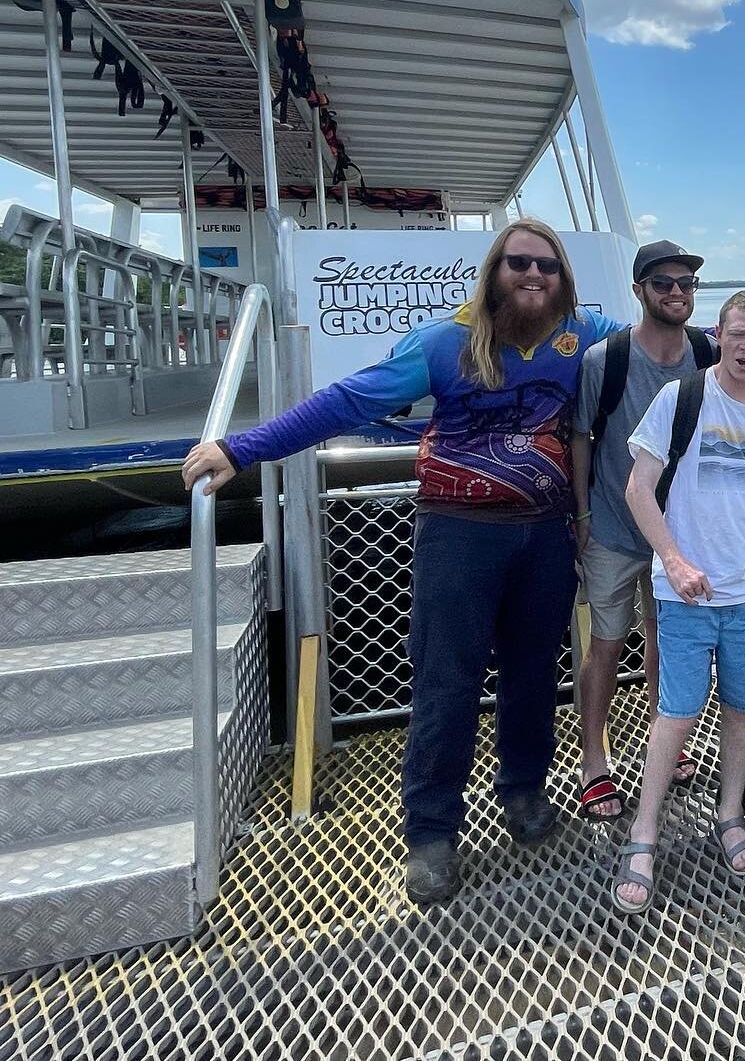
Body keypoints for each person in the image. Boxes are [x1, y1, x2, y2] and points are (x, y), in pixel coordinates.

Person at [179, 219, 626, 905]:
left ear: (564, 279)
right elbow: (348, 400)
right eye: (518, 264)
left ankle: (524, 789)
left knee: (535, 675)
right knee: (446, 682)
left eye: (547, 266)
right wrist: (244, 449)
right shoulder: (445, 343)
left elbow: (665, 342)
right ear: (494, 271)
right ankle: (431, 831)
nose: (533, 276)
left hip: (545, 533)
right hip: (458, 533)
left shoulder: (583, 336)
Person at [614, 290, 745, 913]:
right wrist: (674, 561)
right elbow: (638, 487)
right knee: (675, 713)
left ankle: (731, 813)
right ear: (720, 332)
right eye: (736, 334)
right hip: (686, 591)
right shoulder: (680, 398)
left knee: (742, 710)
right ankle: (644, 832)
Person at [571, 240, 714, 823]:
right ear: (639, 291)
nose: (677, 293)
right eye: (663, 284)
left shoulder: (706, 351)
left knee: (666, 644)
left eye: (686, 284)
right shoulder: (605, 362)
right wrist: (579, 515)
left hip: (676, 536)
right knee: (604, 645)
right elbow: (580, 437)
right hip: (610, 525)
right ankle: (592, 760)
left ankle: (665, 745)